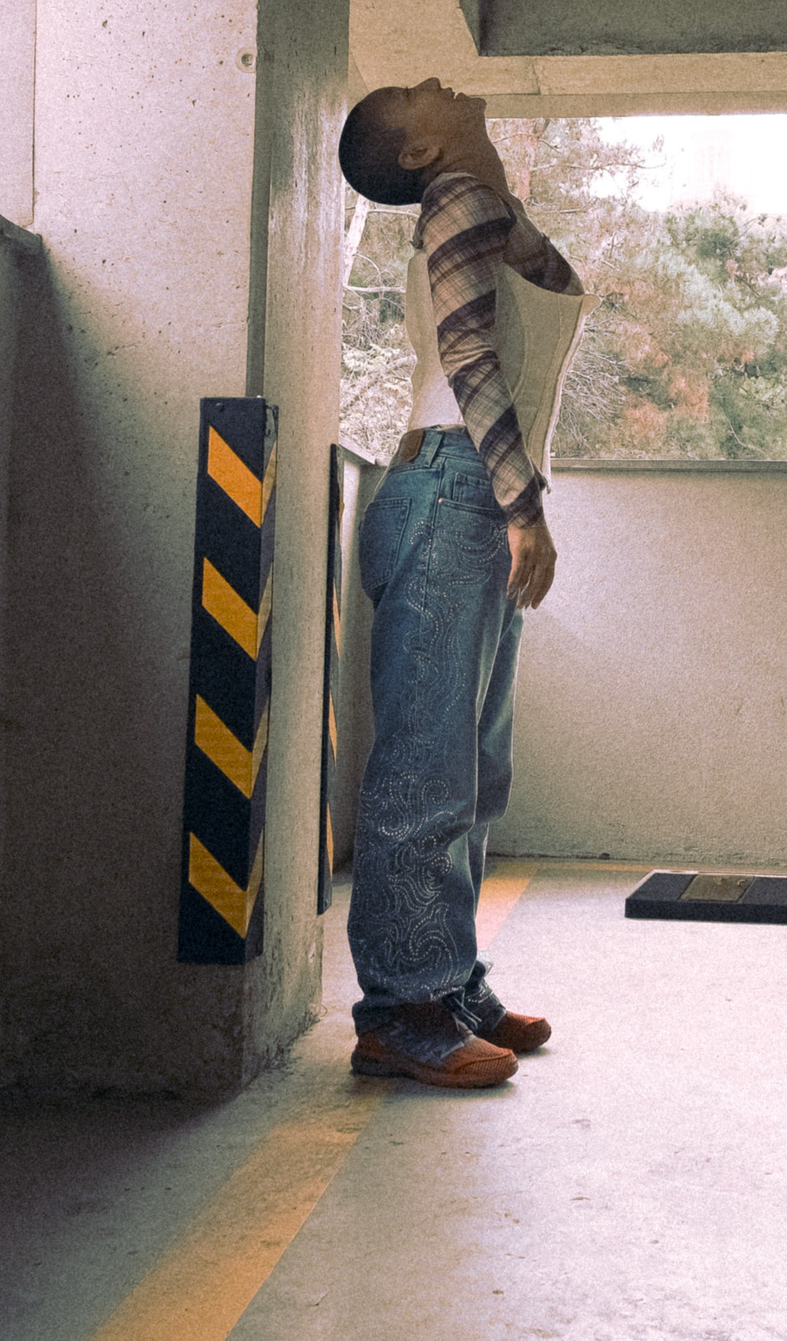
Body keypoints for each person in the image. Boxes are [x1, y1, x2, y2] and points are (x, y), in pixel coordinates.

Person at [335, 77, 589, 1089]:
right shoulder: (455, 203)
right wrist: (522, 504)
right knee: (429, 766)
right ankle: (401, 1011)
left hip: (461, 494)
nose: (436, 79)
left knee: (473, 768)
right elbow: (468, 349)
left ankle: (449, 982)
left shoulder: (475, 200)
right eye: (412, 97)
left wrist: (512, 503)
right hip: (455, 492)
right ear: (416, 157)